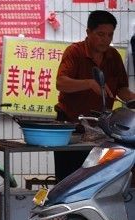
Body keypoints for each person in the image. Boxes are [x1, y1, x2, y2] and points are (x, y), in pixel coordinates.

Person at [54, 10, 135, 181]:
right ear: (88, 32)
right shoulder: (74, 52)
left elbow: (121, 90)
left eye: (110, 35)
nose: (105, 39)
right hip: (72, 129)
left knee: (96, 180)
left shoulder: (113, 56)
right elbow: (60, 83)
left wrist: (132, 99)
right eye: (100, 34)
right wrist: (89, 83)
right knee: (69, 180)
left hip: (102, 130)